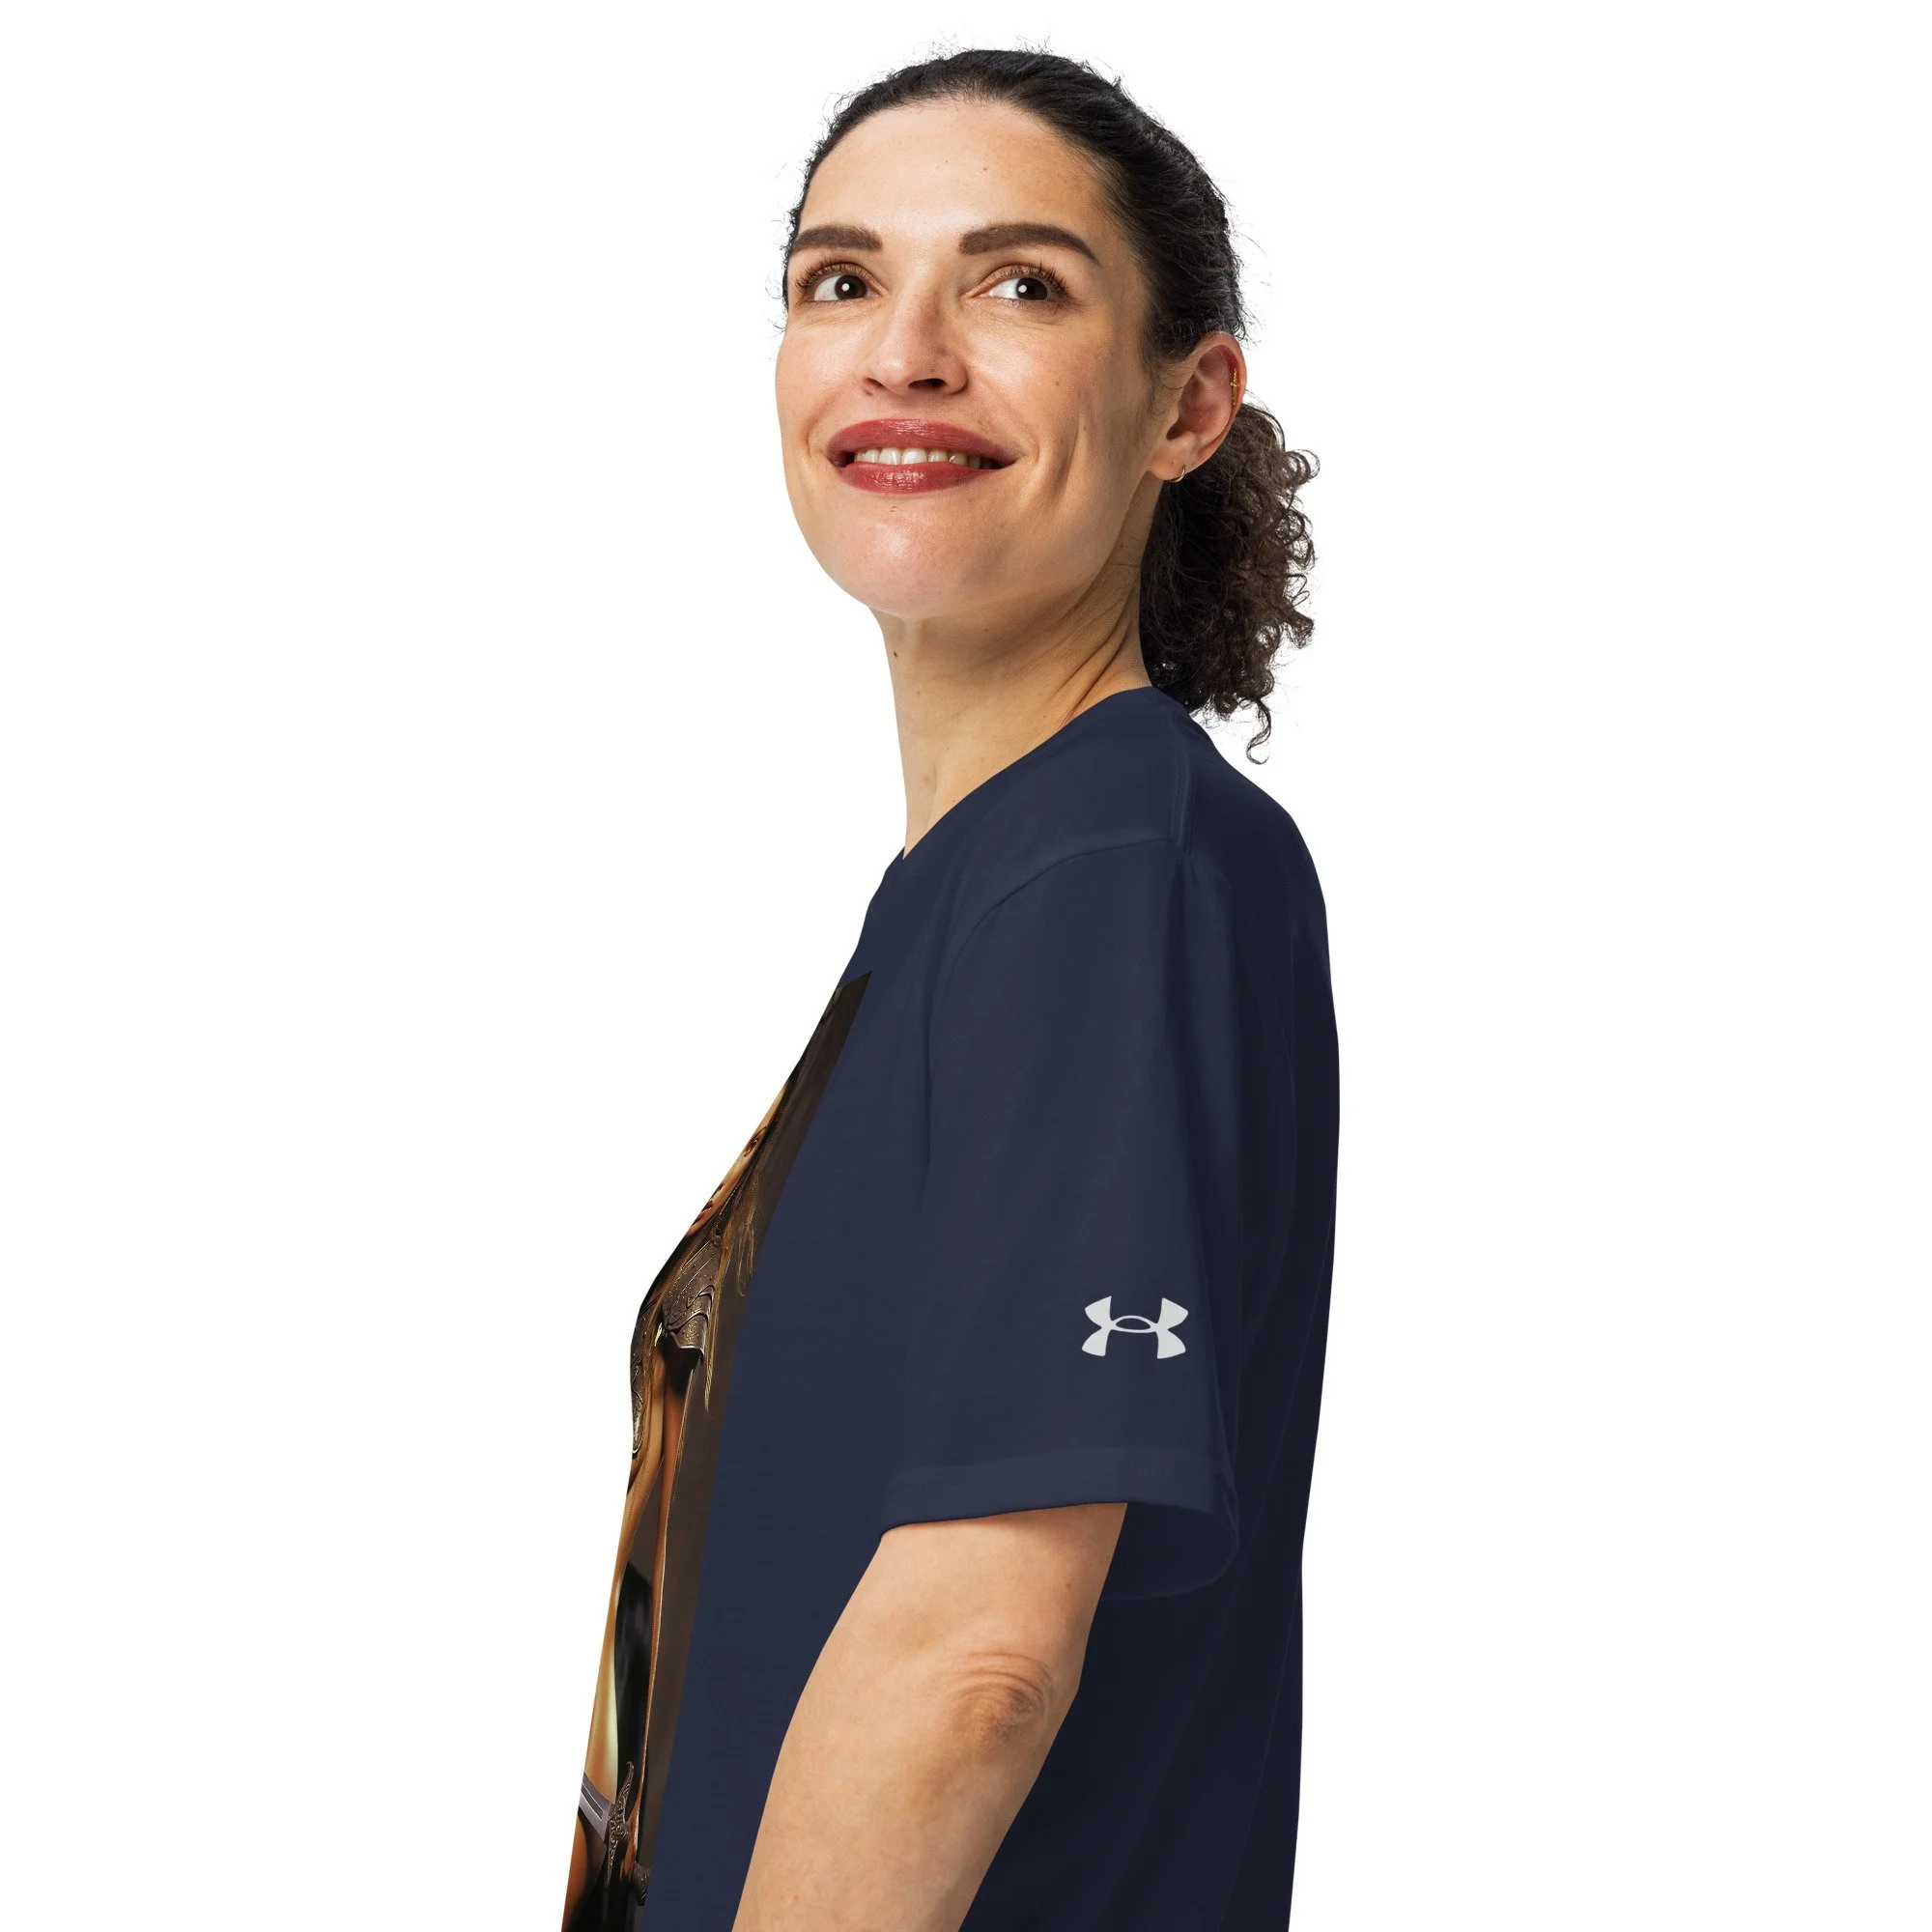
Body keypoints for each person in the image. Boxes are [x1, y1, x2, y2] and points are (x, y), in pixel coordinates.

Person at [561, 47, 1338, 1932]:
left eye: (1018, 285)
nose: (903, 352)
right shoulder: (992, 885)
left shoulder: (1106, 861)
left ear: (1185, 405)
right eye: (841, 279)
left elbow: (974, 1662)